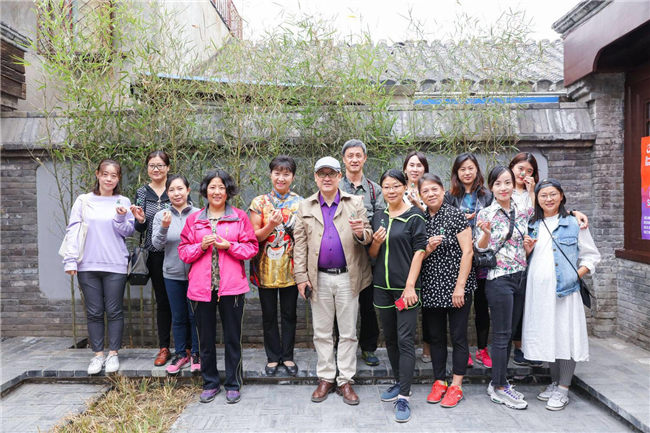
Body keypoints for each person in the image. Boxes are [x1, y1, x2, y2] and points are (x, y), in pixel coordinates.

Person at [293, 156, 372, 406]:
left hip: (349, 277)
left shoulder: (355, 202)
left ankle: (345, 380)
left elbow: (368, 236)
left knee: (348, 332)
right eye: (322, 173)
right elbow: (299, 246)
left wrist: (361, 233)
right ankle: (326, 377)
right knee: (322, 332)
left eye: (332, 173)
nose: (326, 178)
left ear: (340, 177)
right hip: (319, 279)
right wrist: (300, 278)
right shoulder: (305, 206)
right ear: (315, 177)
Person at [178, 170, 258, 404]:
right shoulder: (194, 220)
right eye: (212, 187)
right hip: (201, 289)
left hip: (232, 289)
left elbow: (251, 248)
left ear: (228, 191)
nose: (216, 191)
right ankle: (210, 383)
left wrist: (228, 246)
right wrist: (200, 247)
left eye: (221, 187)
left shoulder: (239, 217)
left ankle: (233, 383)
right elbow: (184, 252)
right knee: (205, 339)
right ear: (205, 191)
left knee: (233, 338)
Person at [522, 179, 600, 411]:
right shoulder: (533, 224)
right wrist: (528, 251)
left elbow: (592, 256)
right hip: (538, 292)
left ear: (562, 196)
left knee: (565, 335)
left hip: (565, 292)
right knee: (548, 335)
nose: (548, 199)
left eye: (553, 194)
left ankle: (563, 389)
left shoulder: (574, 222)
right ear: (537, 199)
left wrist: (576, 275)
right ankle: (555, 382)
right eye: (543, 195)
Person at [507, 152, 589, 366]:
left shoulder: (542, 201)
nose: (523, 174)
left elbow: (546, 210)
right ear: (511, 168)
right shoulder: (504, 190)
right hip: (518, 270)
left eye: (529, 171)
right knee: (534, 322)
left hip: (554, 279)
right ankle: (525, 351)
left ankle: (559, 382)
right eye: (520, 169)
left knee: (561, 329)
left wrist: (573, 213)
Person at [62, 159, 134, 375]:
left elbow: (128, 231)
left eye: (114, 175)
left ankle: (113, 354)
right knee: (93, 311)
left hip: (115, 264)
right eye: (105, 174)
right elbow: (73, 230)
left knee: (114, 310)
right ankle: (97, 355)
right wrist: (70, 260)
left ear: (118, 178)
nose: (109, 178)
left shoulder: (123, 200)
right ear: (98, 174)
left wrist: (121, 216)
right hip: (87, 264)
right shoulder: (84, 201)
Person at [370, 169, 427, 423]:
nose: (390, 191)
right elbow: (373, 254)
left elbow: (419, 252)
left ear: (405, 187)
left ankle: (404, 396)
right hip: (382, 288)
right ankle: (398, 382)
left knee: (405, 340)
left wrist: (410, 286)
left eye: (395, 186)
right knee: (390, 338)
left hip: (407, 289)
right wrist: (376, 242)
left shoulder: (415, 216)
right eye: (386, 186)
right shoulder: (379, 217)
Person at [475, 165, 532, 410]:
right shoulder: (486, 213)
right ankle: (498, 386)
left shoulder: (522, 209)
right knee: (500, 334)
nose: (503, 187)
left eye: (507, 182)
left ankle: (500, 380)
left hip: (521, 277)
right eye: (498, 183)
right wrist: (486, 234)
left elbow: (545, 211)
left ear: (513, 184)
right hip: (499, 279)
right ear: (491, 187)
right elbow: (480, 247)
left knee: (509, 333)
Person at [420, 173, 476, 408]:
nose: (431, 194)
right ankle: (439, 381)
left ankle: (456, 385)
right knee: (435, 337)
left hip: (457, 287)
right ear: (420, 195)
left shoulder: (455, 215)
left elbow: (468, 252)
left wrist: (460, 286)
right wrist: (429, 248)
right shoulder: (419, 219)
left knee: (459, 336)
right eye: (426, 191)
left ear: (443, 190)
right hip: (432, 286)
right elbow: (417, 256)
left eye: (435, 189)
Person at [249, 155, 303, 376]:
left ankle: (288, 356)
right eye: (277, 173)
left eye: (286, 173)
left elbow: (303, 238)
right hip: (265, 268)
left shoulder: (301, 203)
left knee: (290, 314)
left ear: (293, 177)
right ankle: (273, 357)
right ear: (270, 174)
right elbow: (254, 237)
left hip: (291, 268)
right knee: (269, 314)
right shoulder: (258, 202)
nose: (281, 178)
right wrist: (270, 224)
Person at [445, 153, 493, 369]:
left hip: (481, 258)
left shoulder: (487, 196)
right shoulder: (449, 197)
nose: (466, 172)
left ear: (477, 170)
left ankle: (482, 349)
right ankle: (462, 350)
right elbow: (444, 222)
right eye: (462, 169)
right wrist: (460, 221)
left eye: (470, 168)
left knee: (482, 305)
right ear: (456, 172)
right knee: (461, 307)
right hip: (458, 258)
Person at [340, 139, 384, 367]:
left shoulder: (375, 190)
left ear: (364, 158)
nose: (355, 159)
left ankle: (368, 347)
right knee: (342, 306)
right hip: (340, 257)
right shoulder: (335, 188)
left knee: (367, 305)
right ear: (344, 159)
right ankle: (342, 349)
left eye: (359, 155)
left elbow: (379, 222)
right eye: (350, 156)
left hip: (367, 257)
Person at [151, 174, 200, 375]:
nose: (176, 193)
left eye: (180, 189)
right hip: (171, 274)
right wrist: (164, 227)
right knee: (178, 317)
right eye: (171, 190)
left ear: (188, 191)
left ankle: (197, 353)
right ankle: (181, 354)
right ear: (167, 193)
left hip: (196, 275)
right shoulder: (160, 215)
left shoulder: (199, 214)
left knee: (195, 316)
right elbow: (156, 245)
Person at [130, 150, 173, 367]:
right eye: (152, 165)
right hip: (154, 255)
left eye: (160, 165)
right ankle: (164, 347)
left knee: (182, 299)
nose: (156, 169)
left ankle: (186, 347)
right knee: (163, 301)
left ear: (168, 168)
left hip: (175, 252)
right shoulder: (142, 192)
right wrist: (138, 220)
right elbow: (141, 227)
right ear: (147, 168)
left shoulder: (176, 188)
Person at [402, 151, 431, 363]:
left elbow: (434, 218)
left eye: (419, 165)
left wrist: (418, 205)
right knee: (406, 301)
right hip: (404, 254)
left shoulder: (430, 190)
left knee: (428, 305)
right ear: (405, 169)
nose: (415, 169)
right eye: (411, 165)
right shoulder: (398, 189)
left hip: (429, 252)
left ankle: (427, 349)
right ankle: (406, 348)